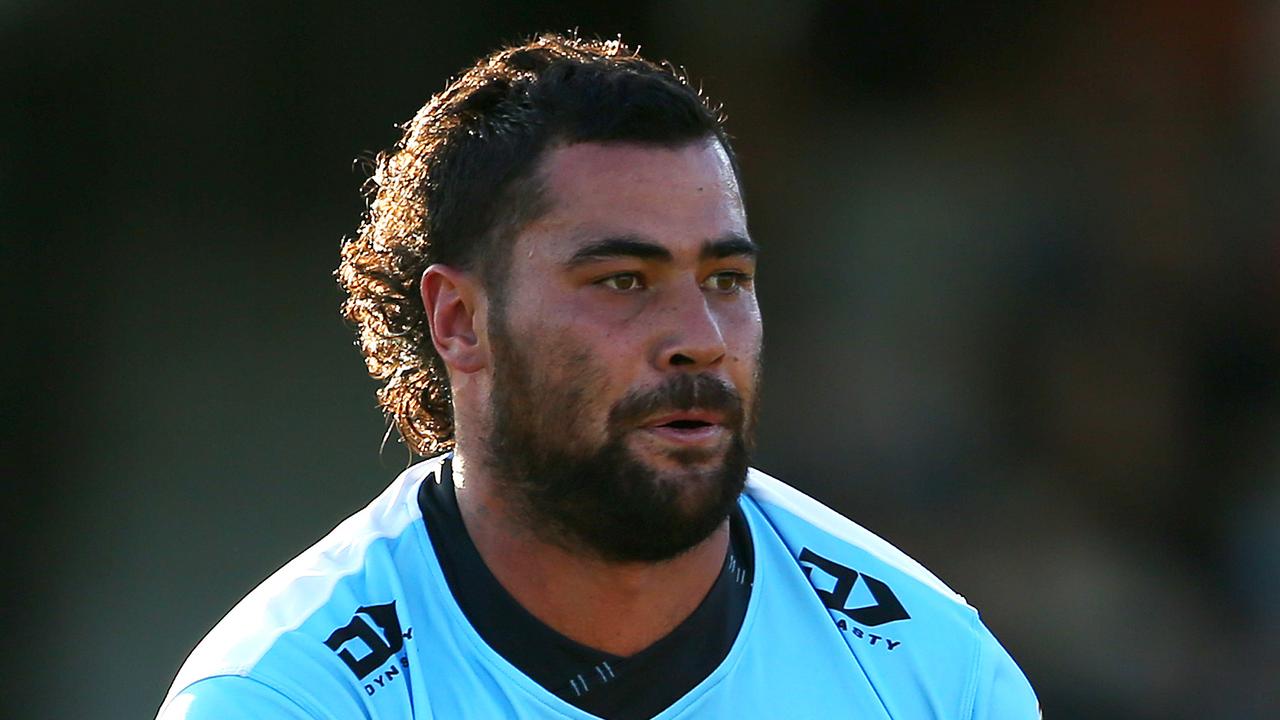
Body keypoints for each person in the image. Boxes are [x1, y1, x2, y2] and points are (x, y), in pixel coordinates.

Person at [157, 34, 1039, 719]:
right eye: (623, 281)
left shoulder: (931, 671)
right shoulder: (288, 695)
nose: (700, 339)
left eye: (727, 281)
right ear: (460, 322)